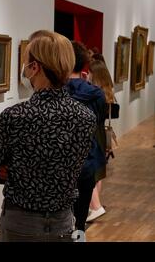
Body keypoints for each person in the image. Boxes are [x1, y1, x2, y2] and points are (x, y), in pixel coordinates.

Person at [0, 30, 97, 242]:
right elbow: (72, 169)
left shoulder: (15, 116)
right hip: (63, 222)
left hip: (20, 222)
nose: (24, 69)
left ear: (35, 67)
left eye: (26, 63)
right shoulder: (85, 117)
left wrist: (12, 169)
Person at [66, 41, 107, 235]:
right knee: (80, 222)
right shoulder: (96, 94)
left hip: (62, 165)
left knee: (60, 222)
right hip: (87, 162)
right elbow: (97, 122)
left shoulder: (56, 92)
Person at [86, 60, 115, 222]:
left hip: (94, 133)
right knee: (99, 170)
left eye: (89, 72)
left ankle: (95, 206)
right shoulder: (107, 92)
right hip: (101, 133)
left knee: (90, 169)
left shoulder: (94, 94)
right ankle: (95, 205)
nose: (87, 74)